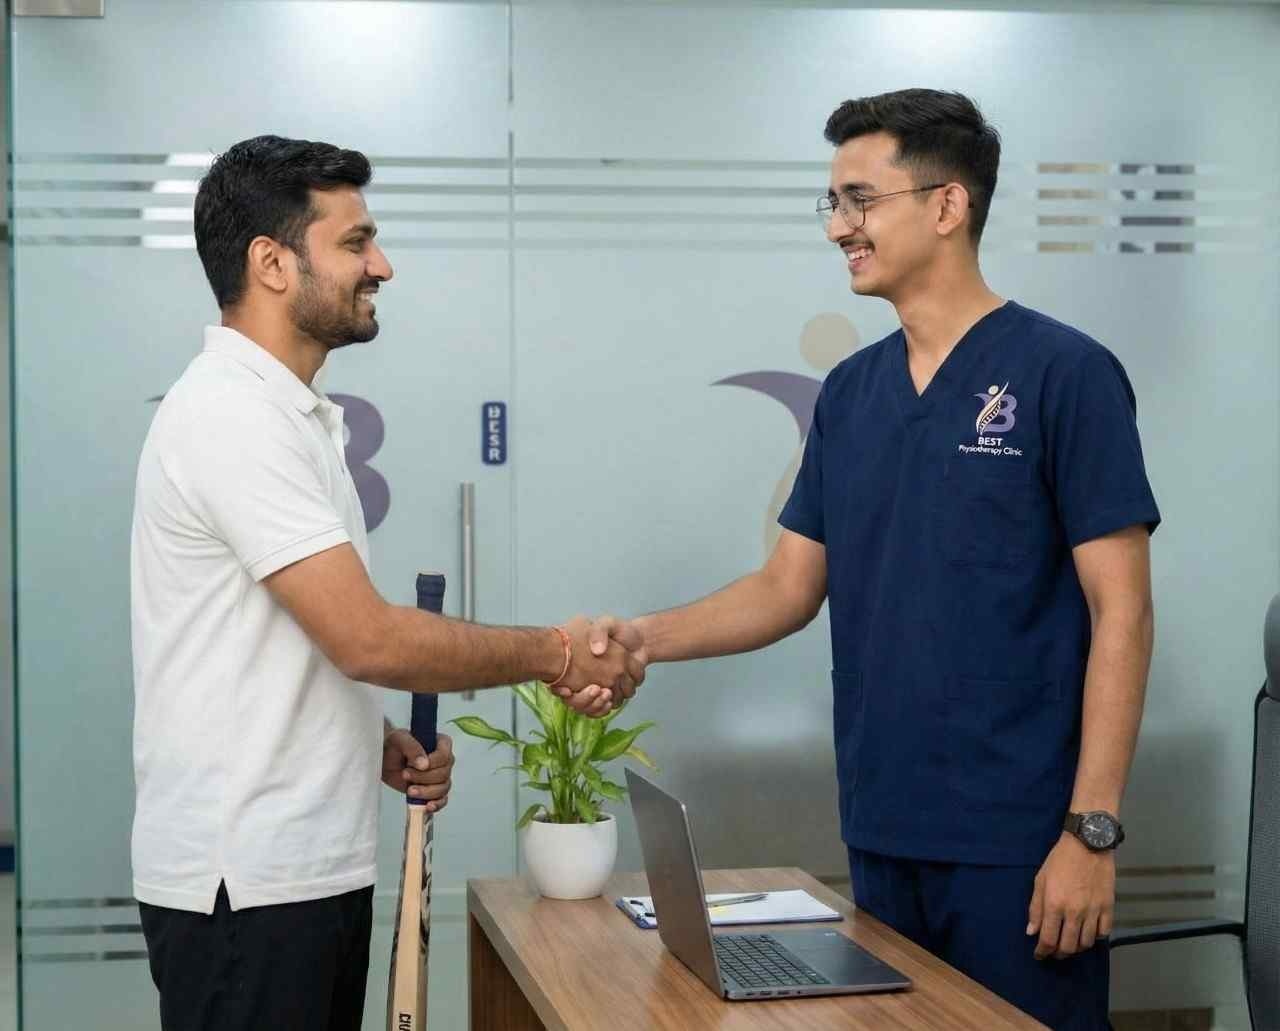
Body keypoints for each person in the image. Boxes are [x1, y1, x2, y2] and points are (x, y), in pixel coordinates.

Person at [584, 90, 1159, 1030]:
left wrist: (1090, 832)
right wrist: (640, 637)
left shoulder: (1067, 373)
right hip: (884, 829)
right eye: (833, 205)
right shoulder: (850, 393)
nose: (839, 230)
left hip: (1020, 844)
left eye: (860, 200)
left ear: (946, 205)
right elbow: (786, 586)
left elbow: (1123, 610)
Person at [131, 134, 644, 1031]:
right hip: (245, 889)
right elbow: (366, 637)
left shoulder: (294, 417)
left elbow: (271, 642)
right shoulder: (231, 413)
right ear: (273, 263)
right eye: (357, 241)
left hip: (304, 875)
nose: (383, 265)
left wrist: (367, 743)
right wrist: (555, 651)